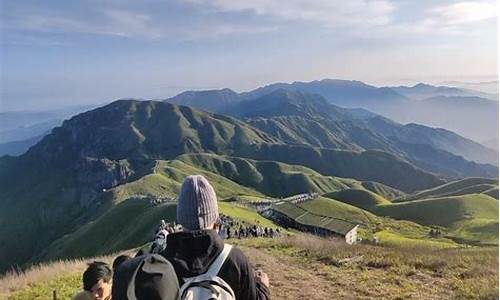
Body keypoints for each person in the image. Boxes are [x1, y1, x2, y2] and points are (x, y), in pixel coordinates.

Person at [161, 175, 270, 300]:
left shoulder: (161, 265)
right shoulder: (235, 260)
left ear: (180, 218)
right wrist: (262, 287)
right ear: (214, 216)